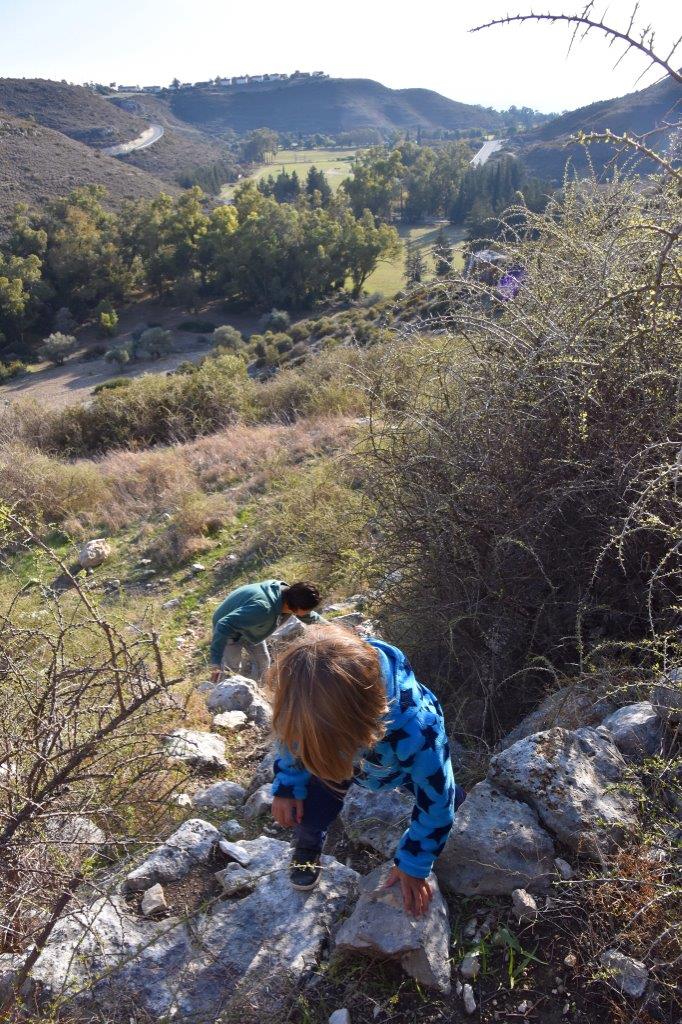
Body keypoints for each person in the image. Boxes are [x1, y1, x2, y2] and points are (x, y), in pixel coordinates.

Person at [268, 624, 462, 917]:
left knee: (440, 798)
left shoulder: (419, 733)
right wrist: (287, 784)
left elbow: (435, 803)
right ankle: (308, 846)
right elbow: (290, 739)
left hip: (398, 766)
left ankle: (456, 813)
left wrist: (413, 863)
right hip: (357, 754)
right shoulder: (307, 703)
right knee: (310, 807)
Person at [210, 579, 322, 682]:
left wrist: (333, 629)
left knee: (263, 663)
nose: (310, 611)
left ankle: (256, 693)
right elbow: (223, 624)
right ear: (293, 607)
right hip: (229, 630)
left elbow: (309, 616)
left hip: (252, 627)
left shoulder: (288, 596)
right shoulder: (263, 609)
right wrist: (215, 661)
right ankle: (220, 697)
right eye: (308, 609)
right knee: (231, 667)